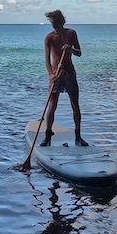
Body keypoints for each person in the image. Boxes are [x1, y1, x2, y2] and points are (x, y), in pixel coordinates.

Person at [43, 9, 86, 146]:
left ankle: (78, 136)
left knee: (75, 105)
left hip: (69, 73)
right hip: (56, 74)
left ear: (62, 22)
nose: (55, 26)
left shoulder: (71, 34)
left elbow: (79, 53)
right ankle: (48, 136)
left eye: (57, 23)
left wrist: (71, 49)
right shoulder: (49, 37)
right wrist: (51, 75)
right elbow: (47, 59)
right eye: (53, 23)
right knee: (52, 105)